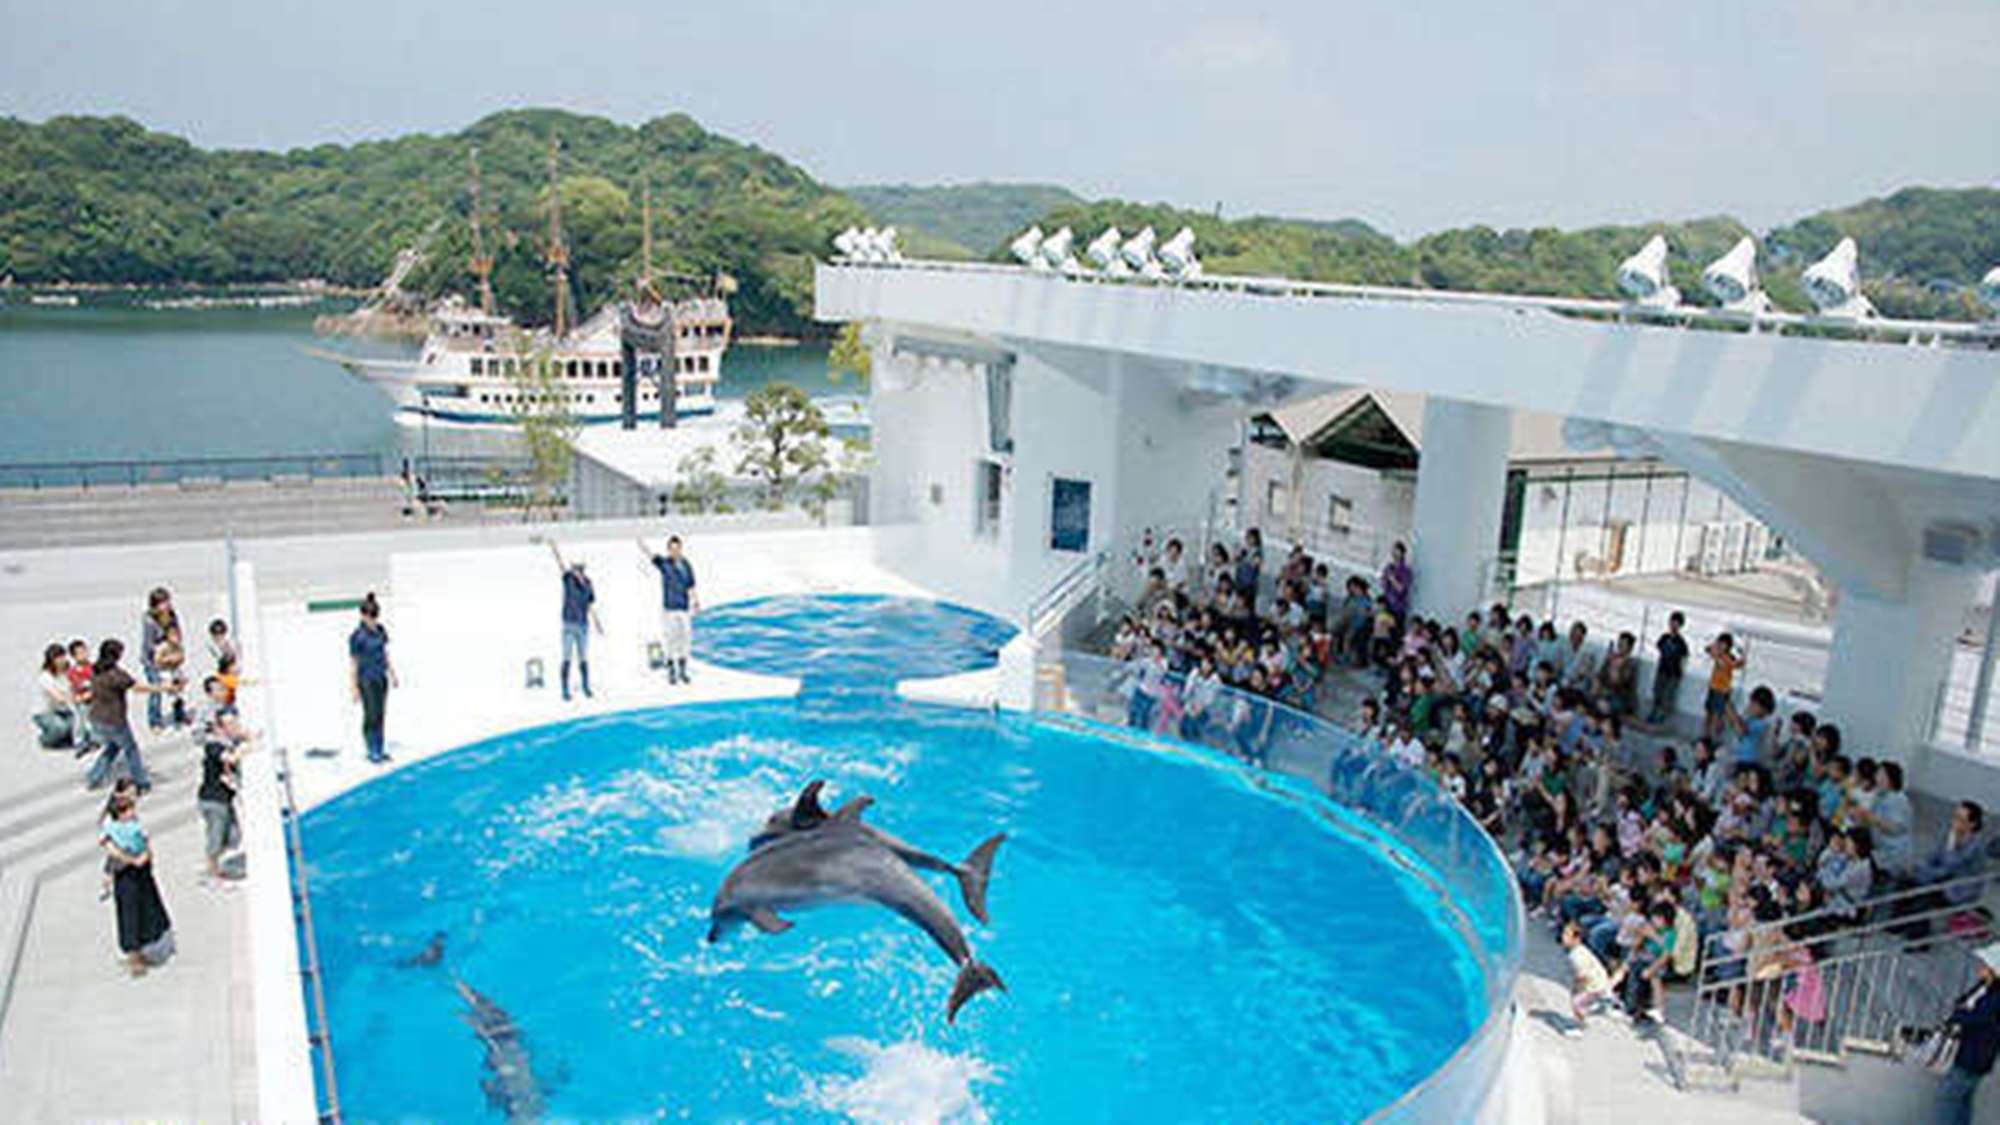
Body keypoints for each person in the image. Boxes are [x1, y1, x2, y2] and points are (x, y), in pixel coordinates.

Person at [100, 790, 172, 977]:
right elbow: (111, 851)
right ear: (121, 813)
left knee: (146, 910)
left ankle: (141, 952)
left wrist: (147, 855)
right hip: (126, 876)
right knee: (129, 914)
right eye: (130, 809)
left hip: (142, 874)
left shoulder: (134, 826)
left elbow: (145, 842)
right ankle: (134, 958)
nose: (133, 813)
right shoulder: (111, 830)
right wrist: (133, 860)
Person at [85, 639, 172, 793]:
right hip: (114, 720)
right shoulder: (116, 675)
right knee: (131, 750)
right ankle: (141, 782)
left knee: (113, 747)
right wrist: (162, 688)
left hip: (96, 717)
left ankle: (94, 777)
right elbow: (138, 688)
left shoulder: (95, 669)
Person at [193, 675, 250, 884]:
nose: (233, 726)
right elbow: (230, 758)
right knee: (216, 837)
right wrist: (250, 748)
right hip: (213, 799)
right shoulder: (214, 746)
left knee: (233, 836)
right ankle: (212, 872)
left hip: (223, 798)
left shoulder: (225, 741)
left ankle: (212, 864)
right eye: (229, 724)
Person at [1935, 942, 2000, 1125]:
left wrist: (1959, 1015)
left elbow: (1980, 1018)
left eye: (1986, 965)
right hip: (1981, 1056)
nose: (1981, 968)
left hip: (1972, 1055)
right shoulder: (1990, 992)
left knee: (1947, 1099)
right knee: (1962, 1101)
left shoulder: (1994, 997)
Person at [639, 535, 700, 684]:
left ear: (680, 548)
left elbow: (691, 585)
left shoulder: (686, 565)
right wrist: (642, 545)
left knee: (685, 638)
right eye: (672, 549)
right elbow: (651, 556)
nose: (675, 551)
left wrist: (695, 601)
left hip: (683, 608)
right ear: (668, 549)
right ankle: (672, 669)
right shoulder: (664, 563)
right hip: (669, 608)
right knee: (671, 638)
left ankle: (683, 668)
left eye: (677, 548)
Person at [549, 542, 602, 701]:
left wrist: (597, 623)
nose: (578, 571)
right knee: (566, 656)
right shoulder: (568, 580)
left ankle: (586, 686)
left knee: (583, 656)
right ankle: (564, 688)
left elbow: (590, 604)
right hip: (568, 624)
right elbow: (560, 564)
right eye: (575, 568)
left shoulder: (588, 583)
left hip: (583, 625)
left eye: (580, 568)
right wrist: (554, 549)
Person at [348, 593, 396, 764]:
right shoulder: (357, 637)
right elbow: (353, 663)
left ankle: (380, 747)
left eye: (375, 617)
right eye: (370, 617)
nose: (373, 620)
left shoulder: (381, 630)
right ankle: (371, 749)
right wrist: (353, 687)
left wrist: (392, 673)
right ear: (363, 616)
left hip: (380, 677)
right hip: (366, 679)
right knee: (371, 714)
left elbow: (384, 653)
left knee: (381, 713)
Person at [140, 587, 181, 733]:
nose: (167, 605)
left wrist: (175, 650)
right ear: (155, 605)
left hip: (171, 654)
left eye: (167, 601)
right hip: (152, 660)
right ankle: (154, 721)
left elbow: (177, 633)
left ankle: (179, 714)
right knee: (156, 689)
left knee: (177, 685)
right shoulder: (149, 620)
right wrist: (161, 653)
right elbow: (148, 644)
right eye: (163, 603)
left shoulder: (172, 615)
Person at [32, 643, 82, 750]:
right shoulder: (45, 677)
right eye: (58, 658)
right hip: (45, 713)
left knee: (81, 724)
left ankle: (64, 738)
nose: (62, 660)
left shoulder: (68, 672)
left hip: (64, 711)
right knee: (60, 728)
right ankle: (45, 740)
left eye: (63, 657)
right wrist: (77, 698)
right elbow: (58, 697)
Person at [1648, 611, 1690, 726]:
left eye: (1676, 623)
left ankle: (1661, 718)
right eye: (1672, 622)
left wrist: (1680, 672)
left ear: (1680, 625)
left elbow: (1684, 657)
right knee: (1657, 692)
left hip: (1673, 673)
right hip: (1662, 670)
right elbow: (1659, 647)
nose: (1673, 625)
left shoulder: (1681, 643)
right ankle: (1653, 713)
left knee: (1667, 696)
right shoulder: (1664, 637)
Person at [1703, 632, 1745, 740]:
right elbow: (1706, 649)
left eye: (1723, 644)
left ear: (1728, 646)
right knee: (1709, 712)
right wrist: (1715, 645)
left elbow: (1739, 664)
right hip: (1712, 687)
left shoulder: (1729, 658)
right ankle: (1706, 735)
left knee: (1718, 715)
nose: (1721, 646)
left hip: (1722, 691)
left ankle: (1715, 737)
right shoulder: (1716, 654)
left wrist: (1742, 653)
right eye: (1720, 643)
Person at [1380, 541, 1413, 629]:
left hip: (1398, 607)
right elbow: (1383, 585)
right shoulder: (1389, 567)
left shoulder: (1406, 570)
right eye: (1393, 551)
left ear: (1402, 554)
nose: (1394, 554)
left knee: (1394, 631)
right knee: (1382, 631)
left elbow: (1401, 589)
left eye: (1397, 551)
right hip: (1386, 604)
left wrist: (1392, 579)